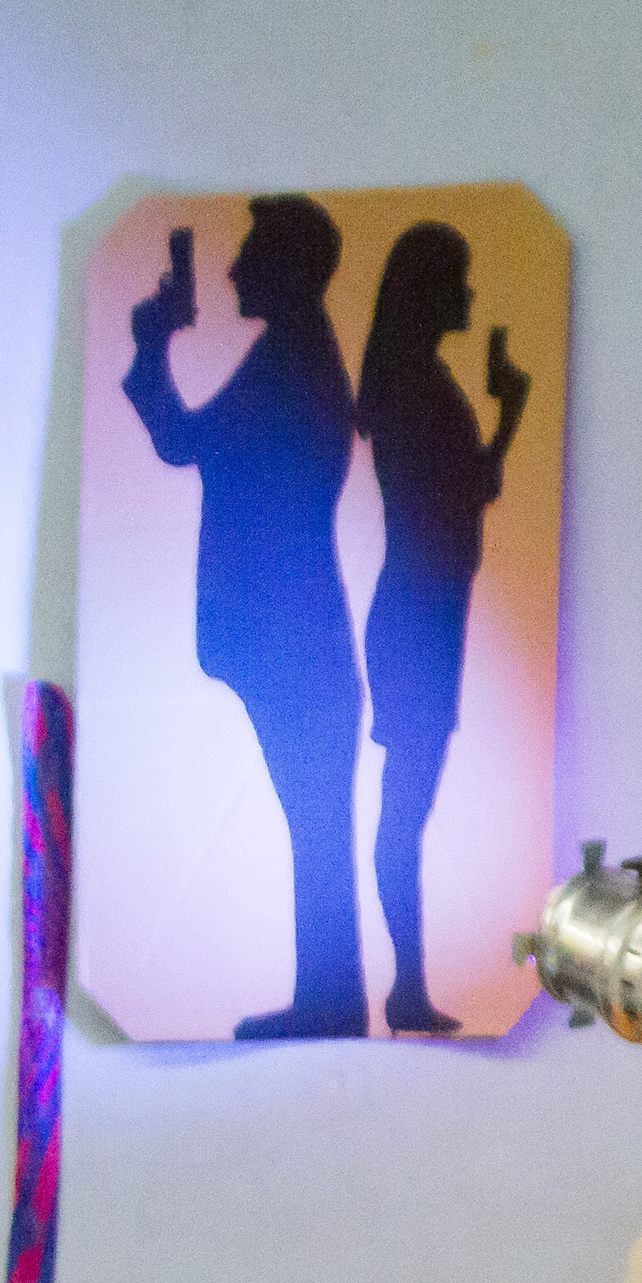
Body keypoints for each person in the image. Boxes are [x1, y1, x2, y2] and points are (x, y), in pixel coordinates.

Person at [123, 196, 367, 1042]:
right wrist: (153, 346)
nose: (233, 266)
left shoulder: (291, 362)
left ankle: (329, 1000)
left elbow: (180, 441)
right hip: (297, 642)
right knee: (316, 827)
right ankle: (327, 998)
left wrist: (153, 345)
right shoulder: (291, 354)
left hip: (293, 645)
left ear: (288, 265)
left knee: (316, 826)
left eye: (253, 249)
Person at [355, 221, 531, 1037]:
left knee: (407, 809)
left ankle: (409, 981)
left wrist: (507, 414)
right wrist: (508, 415)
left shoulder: (414, 383)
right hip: (419, 620)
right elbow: (466, 492)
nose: (467, 294)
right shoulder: (416, 388)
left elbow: (469, 489)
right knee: (406, 813)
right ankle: (408, 983)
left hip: (425, 614)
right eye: (456, 279)